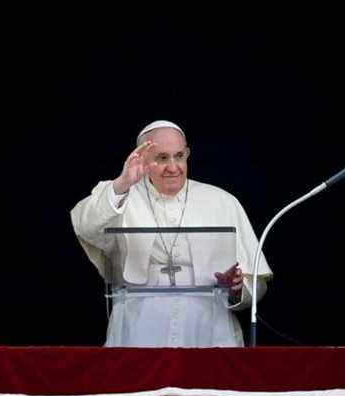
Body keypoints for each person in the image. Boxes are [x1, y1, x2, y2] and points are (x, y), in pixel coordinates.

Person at [71, 120, 272, 347]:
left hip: (208, 328)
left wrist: (236, 288)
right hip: (138, 326)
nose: (174, 167)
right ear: (143, 159)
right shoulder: (121, 195)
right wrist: (123, 182)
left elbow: (256, 282)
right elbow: (86, 226)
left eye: (179, 156)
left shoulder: (222, 201)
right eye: (162, 158)